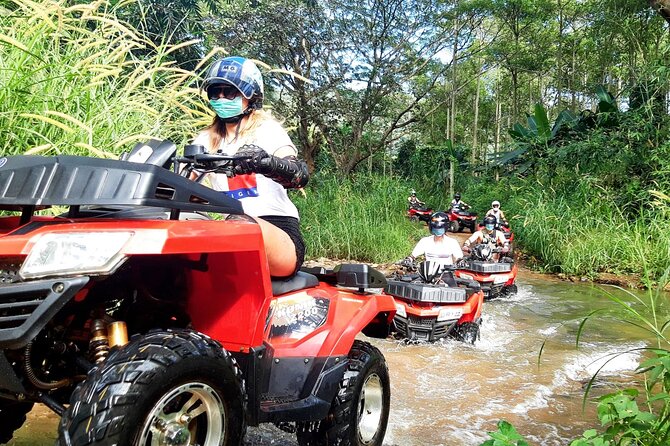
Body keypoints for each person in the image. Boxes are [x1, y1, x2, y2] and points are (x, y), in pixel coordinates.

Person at [193, 56, 309, 278]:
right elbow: (186, 184)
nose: (220, 98)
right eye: (215, 92)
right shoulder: (204, 139)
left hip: (277, 231)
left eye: (229, 92)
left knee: (241, 225)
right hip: (229, 231)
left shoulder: (267, 130)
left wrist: (266, 163)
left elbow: (299, 175)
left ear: (251, 97)